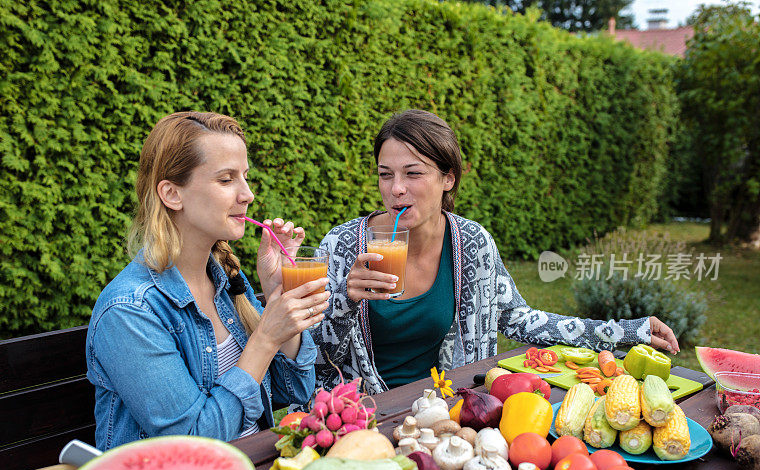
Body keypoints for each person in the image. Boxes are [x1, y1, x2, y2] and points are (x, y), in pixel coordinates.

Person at [312, 109, 679, 394]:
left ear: (448, 178)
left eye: (413, 173)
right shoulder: (342, 247)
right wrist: (344, 301)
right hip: (363, 417)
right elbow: (312, 364)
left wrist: (624, 333)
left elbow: (519, 320)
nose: (395, 189)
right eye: (385, 174)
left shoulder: (471, 243)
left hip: (450, 408)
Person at [86, 111, 329, 450]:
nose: (247, 195)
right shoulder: (130, 311)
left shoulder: (226, 279)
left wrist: (277, 294)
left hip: (248, 469)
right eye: (226, 180)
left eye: (244, 177)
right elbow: (194, 441)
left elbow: (294, 391)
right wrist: (264, 338)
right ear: (172, 194)